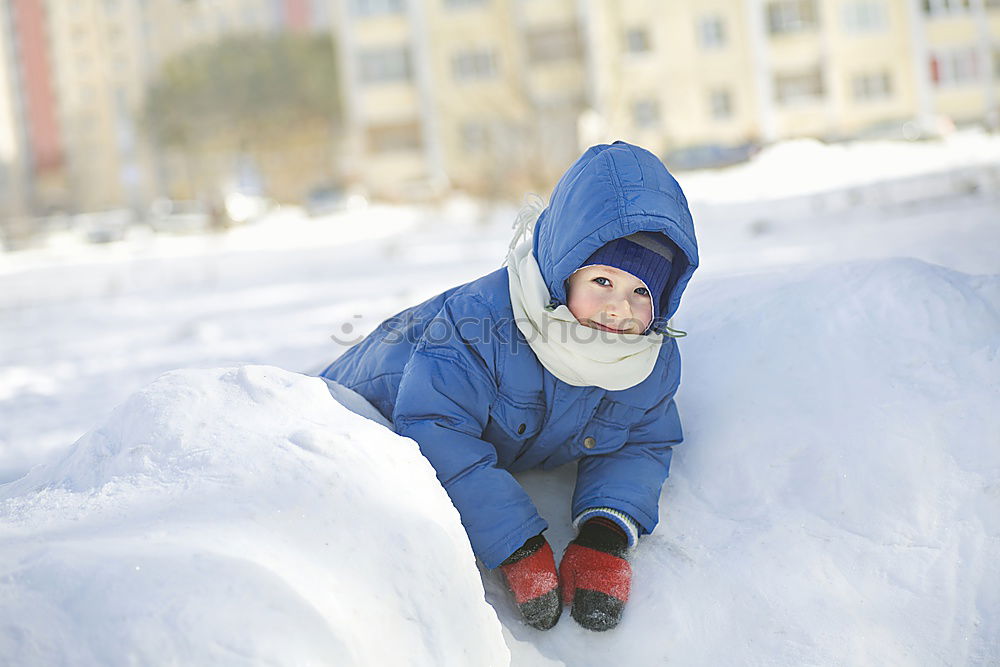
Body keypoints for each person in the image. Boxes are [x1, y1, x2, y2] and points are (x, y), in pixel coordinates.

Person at [318, 141, 699, 631]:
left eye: (641, 292)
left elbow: (642, 440)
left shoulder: (649, 361)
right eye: (602, 281)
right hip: (368, 396)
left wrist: (605, 534)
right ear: (565, 273)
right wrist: (517, 544)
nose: (617, 309)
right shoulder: (481, 327)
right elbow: (435, 428)